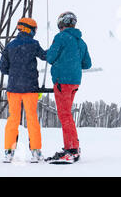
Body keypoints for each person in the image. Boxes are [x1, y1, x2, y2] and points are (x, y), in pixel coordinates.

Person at [45, 12, 92, 164]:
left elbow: (50, 58)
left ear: (61, 23)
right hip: (74, 81)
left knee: (65, 115)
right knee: (67, 115)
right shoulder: (81, 41)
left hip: (62, 81)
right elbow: (87, 64)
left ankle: (72, 149)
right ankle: (71, 147)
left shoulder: (61, 37)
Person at [0, 18, 46, 163]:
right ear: (29, 29)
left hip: (13, 88)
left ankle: (9, 152)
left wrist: (15, 74)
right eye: (34, 29)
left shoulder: (10, 45)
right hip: (30, 88)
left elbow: (2, 67)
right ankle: (36, 152)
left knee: (13, 119)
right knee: (32, 118)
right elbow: (45, 56)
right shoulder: (33, 44)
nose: (35, 32)